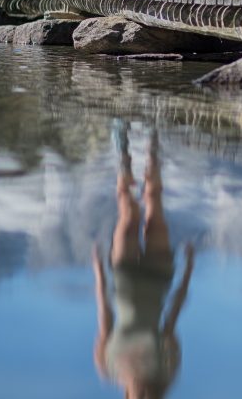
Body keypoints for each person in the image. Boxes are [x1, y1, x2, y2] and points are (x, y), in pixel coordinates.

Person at [93, 126, 195, 399]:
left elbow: (104, 316)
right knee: (152, 202)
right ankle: (153, 141)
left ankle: (122, 147)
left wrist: (99, 274)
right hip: (159, 276)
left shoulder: (107, 367)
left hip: (123, 278)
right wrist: (188, 272)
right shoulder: (167, 371)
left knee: (127, 213)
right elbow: (173, 316)